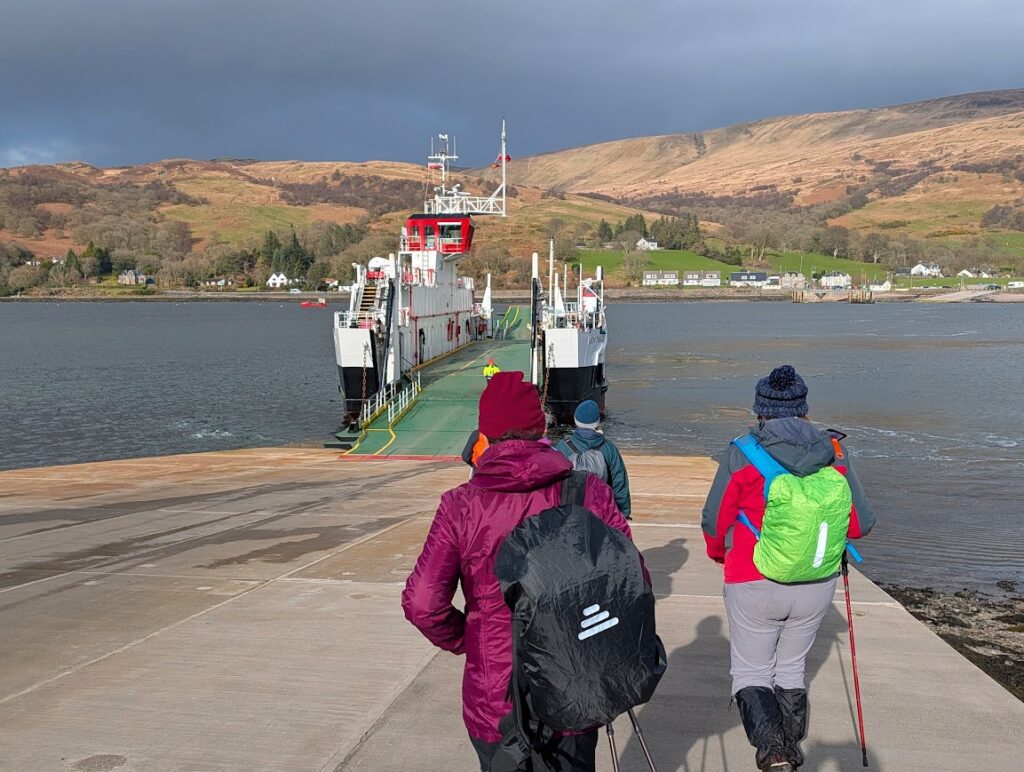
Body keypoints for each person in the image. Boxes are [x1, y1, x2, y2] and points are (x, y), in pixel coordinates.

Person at [403, 372, 637, 771]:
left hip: (494, 692)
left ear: (484, 434)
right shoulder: (586, 492)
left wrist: (470, 639)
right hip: (574, 682)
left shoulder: (461, 505)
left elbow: (423, 603)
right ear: (541, 427)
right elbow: (632, 580)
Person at [701, 365, 874, 772]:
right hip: (817, 581)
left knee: (750, 671)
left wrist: (718, 553)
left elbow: (714, 520)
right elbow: (861, 524)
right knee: (791, 668)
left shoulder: (743, 450)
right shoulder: (834, 452)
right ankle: (791, 751)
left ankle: (773, 751)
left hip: (752, 576)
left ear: (760, 410)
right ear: (804, 409)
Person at [554, 399, 631, 519]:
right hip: (601, 514)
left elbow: (553, 483)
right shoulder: (609, 448)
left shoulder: (562, 447)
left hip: (570, 513)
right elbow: (619, 483)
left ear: (575, 420)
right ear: (597, 422)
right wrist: (623, 513)